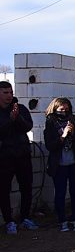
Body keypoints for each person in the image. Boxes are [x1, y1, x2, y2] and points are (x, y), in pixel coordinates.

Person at [43, 98, 75, 232]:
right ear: (55, 109)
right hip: (59, 163)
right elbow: (50, 145)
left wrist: (73, 133)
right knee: (60, 193)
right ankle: (62, 220)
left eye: (66, 109)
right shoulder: (51, 122)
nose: (64, 111)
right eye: (61, 109)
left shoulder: (74, 120)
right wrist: (63, 136)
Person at [0, 81, 37, 234]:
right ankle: (9, 221)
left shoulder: (20, 108)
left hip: (22, 153)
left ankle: (25, 218)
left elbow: (28, 126)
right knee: (3, 189)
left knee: (26, 186)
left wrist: (17, 118)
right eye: (5, 93)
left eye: (10, 92)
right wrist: (10, 120)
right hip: (4, 156)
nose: (9, 96)